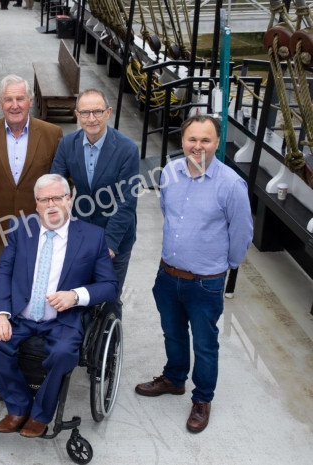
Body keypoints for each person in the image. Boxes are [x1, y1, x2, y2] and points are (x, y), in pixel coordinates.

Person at [135, 114, 253, 433]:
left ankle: (202, 398)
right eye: (192, 139)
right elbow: (168, 213)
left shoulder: (231, 184)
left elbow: (242, 233)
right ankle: (174, 379)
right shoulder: (171, 172)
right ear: (182, 140)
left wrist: (218, 265)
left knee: (204, 343)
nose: (197, 146)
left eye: (205, 140)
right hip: (167, 276)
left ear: (217, 142)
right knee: (172, 333)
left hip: (206, 283)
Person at [0, 174, 118, 437]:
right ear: (36, 205)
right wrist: (0, 315)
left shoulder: (92, 237)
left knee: (64, 353)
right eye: (44, 199)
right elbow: (4, 273)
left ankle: (41, 414)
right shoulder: (21, 229)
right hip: (20, 317)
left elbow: (110, 286)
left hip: (62, 319)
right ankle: (19, 406)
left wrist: (75, 296)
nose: (51, 204)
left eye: (58, 197)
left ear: (69, 200)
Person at [0, 74, 63, 340]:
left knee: (38, 280)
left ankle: (31, 332)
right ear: (0, 102)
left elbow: (62, 182)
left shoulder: (52, 134)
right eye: (8, 99)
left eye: (20, 98)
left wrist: (56, 220)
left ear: (30, 101)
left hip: (39, 227)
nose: (15, 105)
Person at [50, 88, 140, 318]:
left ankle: (110, 348)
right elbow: (57, 187)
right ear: (77, 114)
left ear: (108, 112)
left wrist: (109, 244)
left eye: (97, 112)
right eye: (85, 112)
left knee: (109, 297)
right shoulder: (68, 144)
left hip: (117, 238)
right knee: (80, 294)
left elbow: (126, 201)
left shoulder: (127, 149)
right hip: (82, 233)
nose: (92, 119)